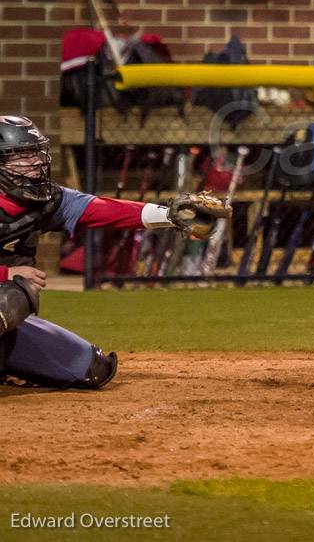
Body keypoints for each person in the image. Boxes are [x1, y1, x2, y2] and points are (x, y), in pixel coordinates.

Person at [0, 116, 226, 389]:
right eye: (21, 156)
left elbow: (101, 209)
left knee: (90, 367)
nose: (35, 162)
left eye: (35, 153)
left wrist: (170, 215)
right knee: (13, 291)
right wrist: (6, 272)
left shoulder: (44, 199)